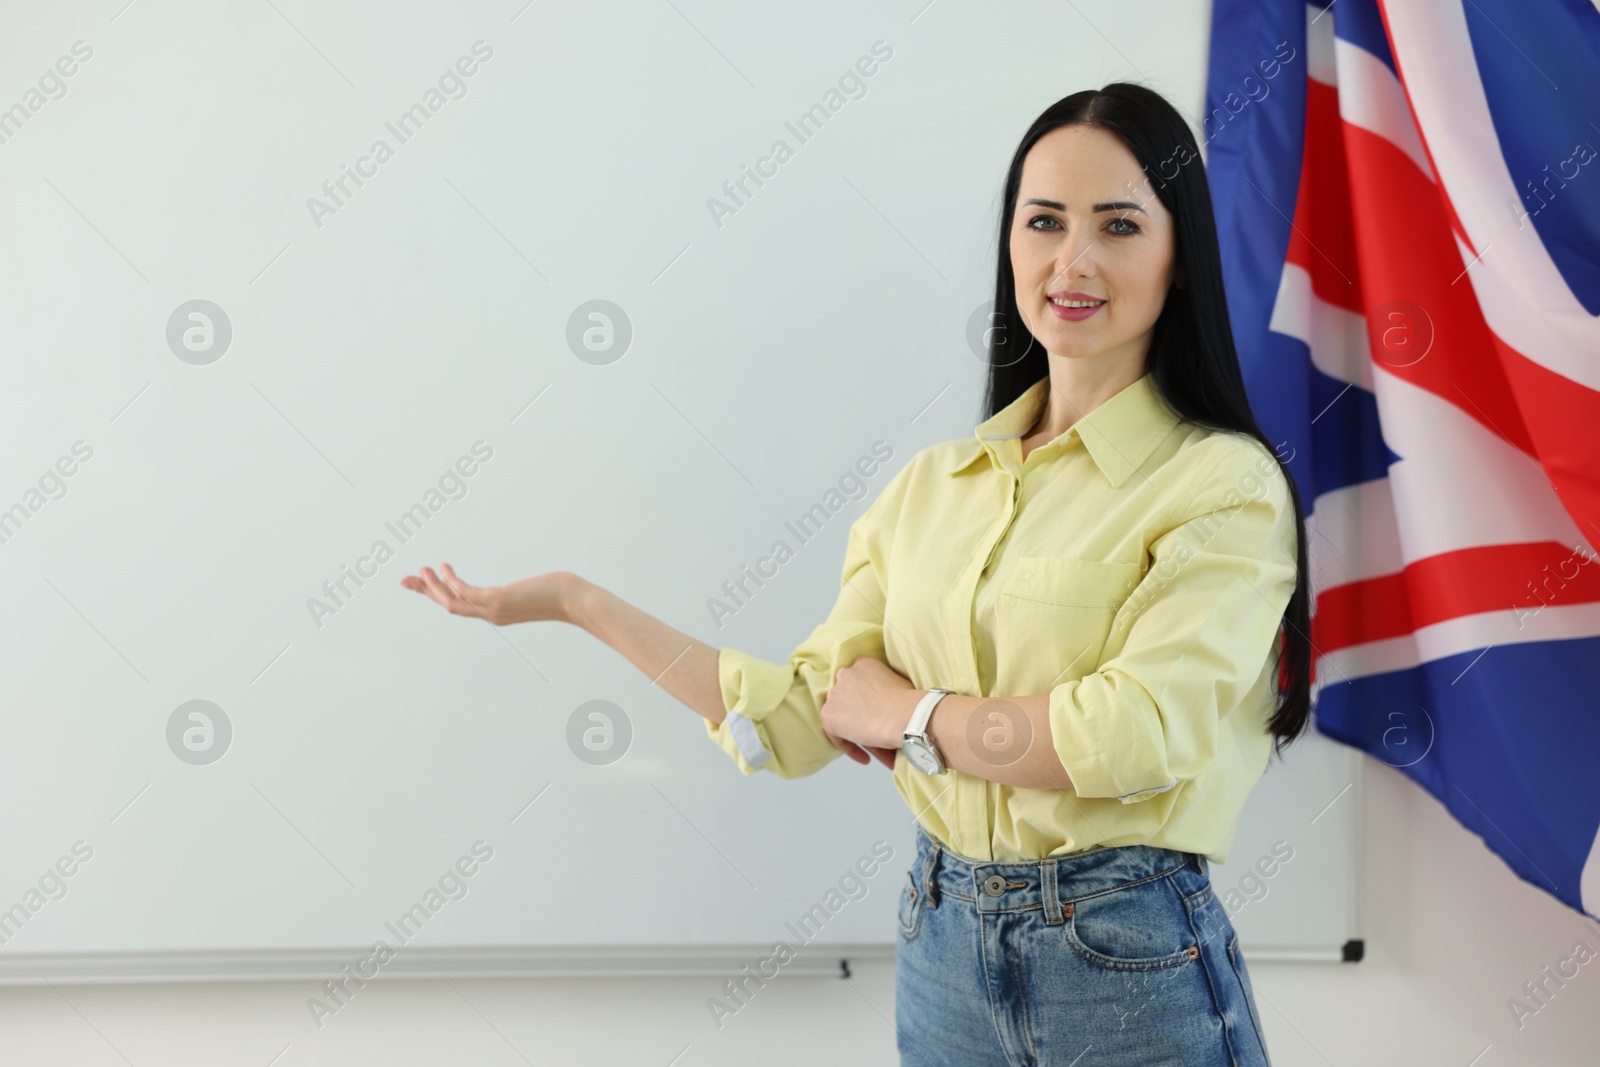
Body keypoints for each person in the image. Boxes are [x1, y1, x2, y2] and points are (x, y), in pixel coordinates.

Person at [402, 80, 1310, 1067]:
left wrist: (909, 715)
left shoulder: (1222, 484)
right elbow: (796, 718)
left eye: (1119, 225)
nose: (1071, 260)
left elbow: (1134, 732)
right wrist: (576, 600)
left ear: (1179, 259)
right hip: (942, 947)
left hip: (1124, 958)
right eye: (1042, 221)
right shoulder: (931, 491)